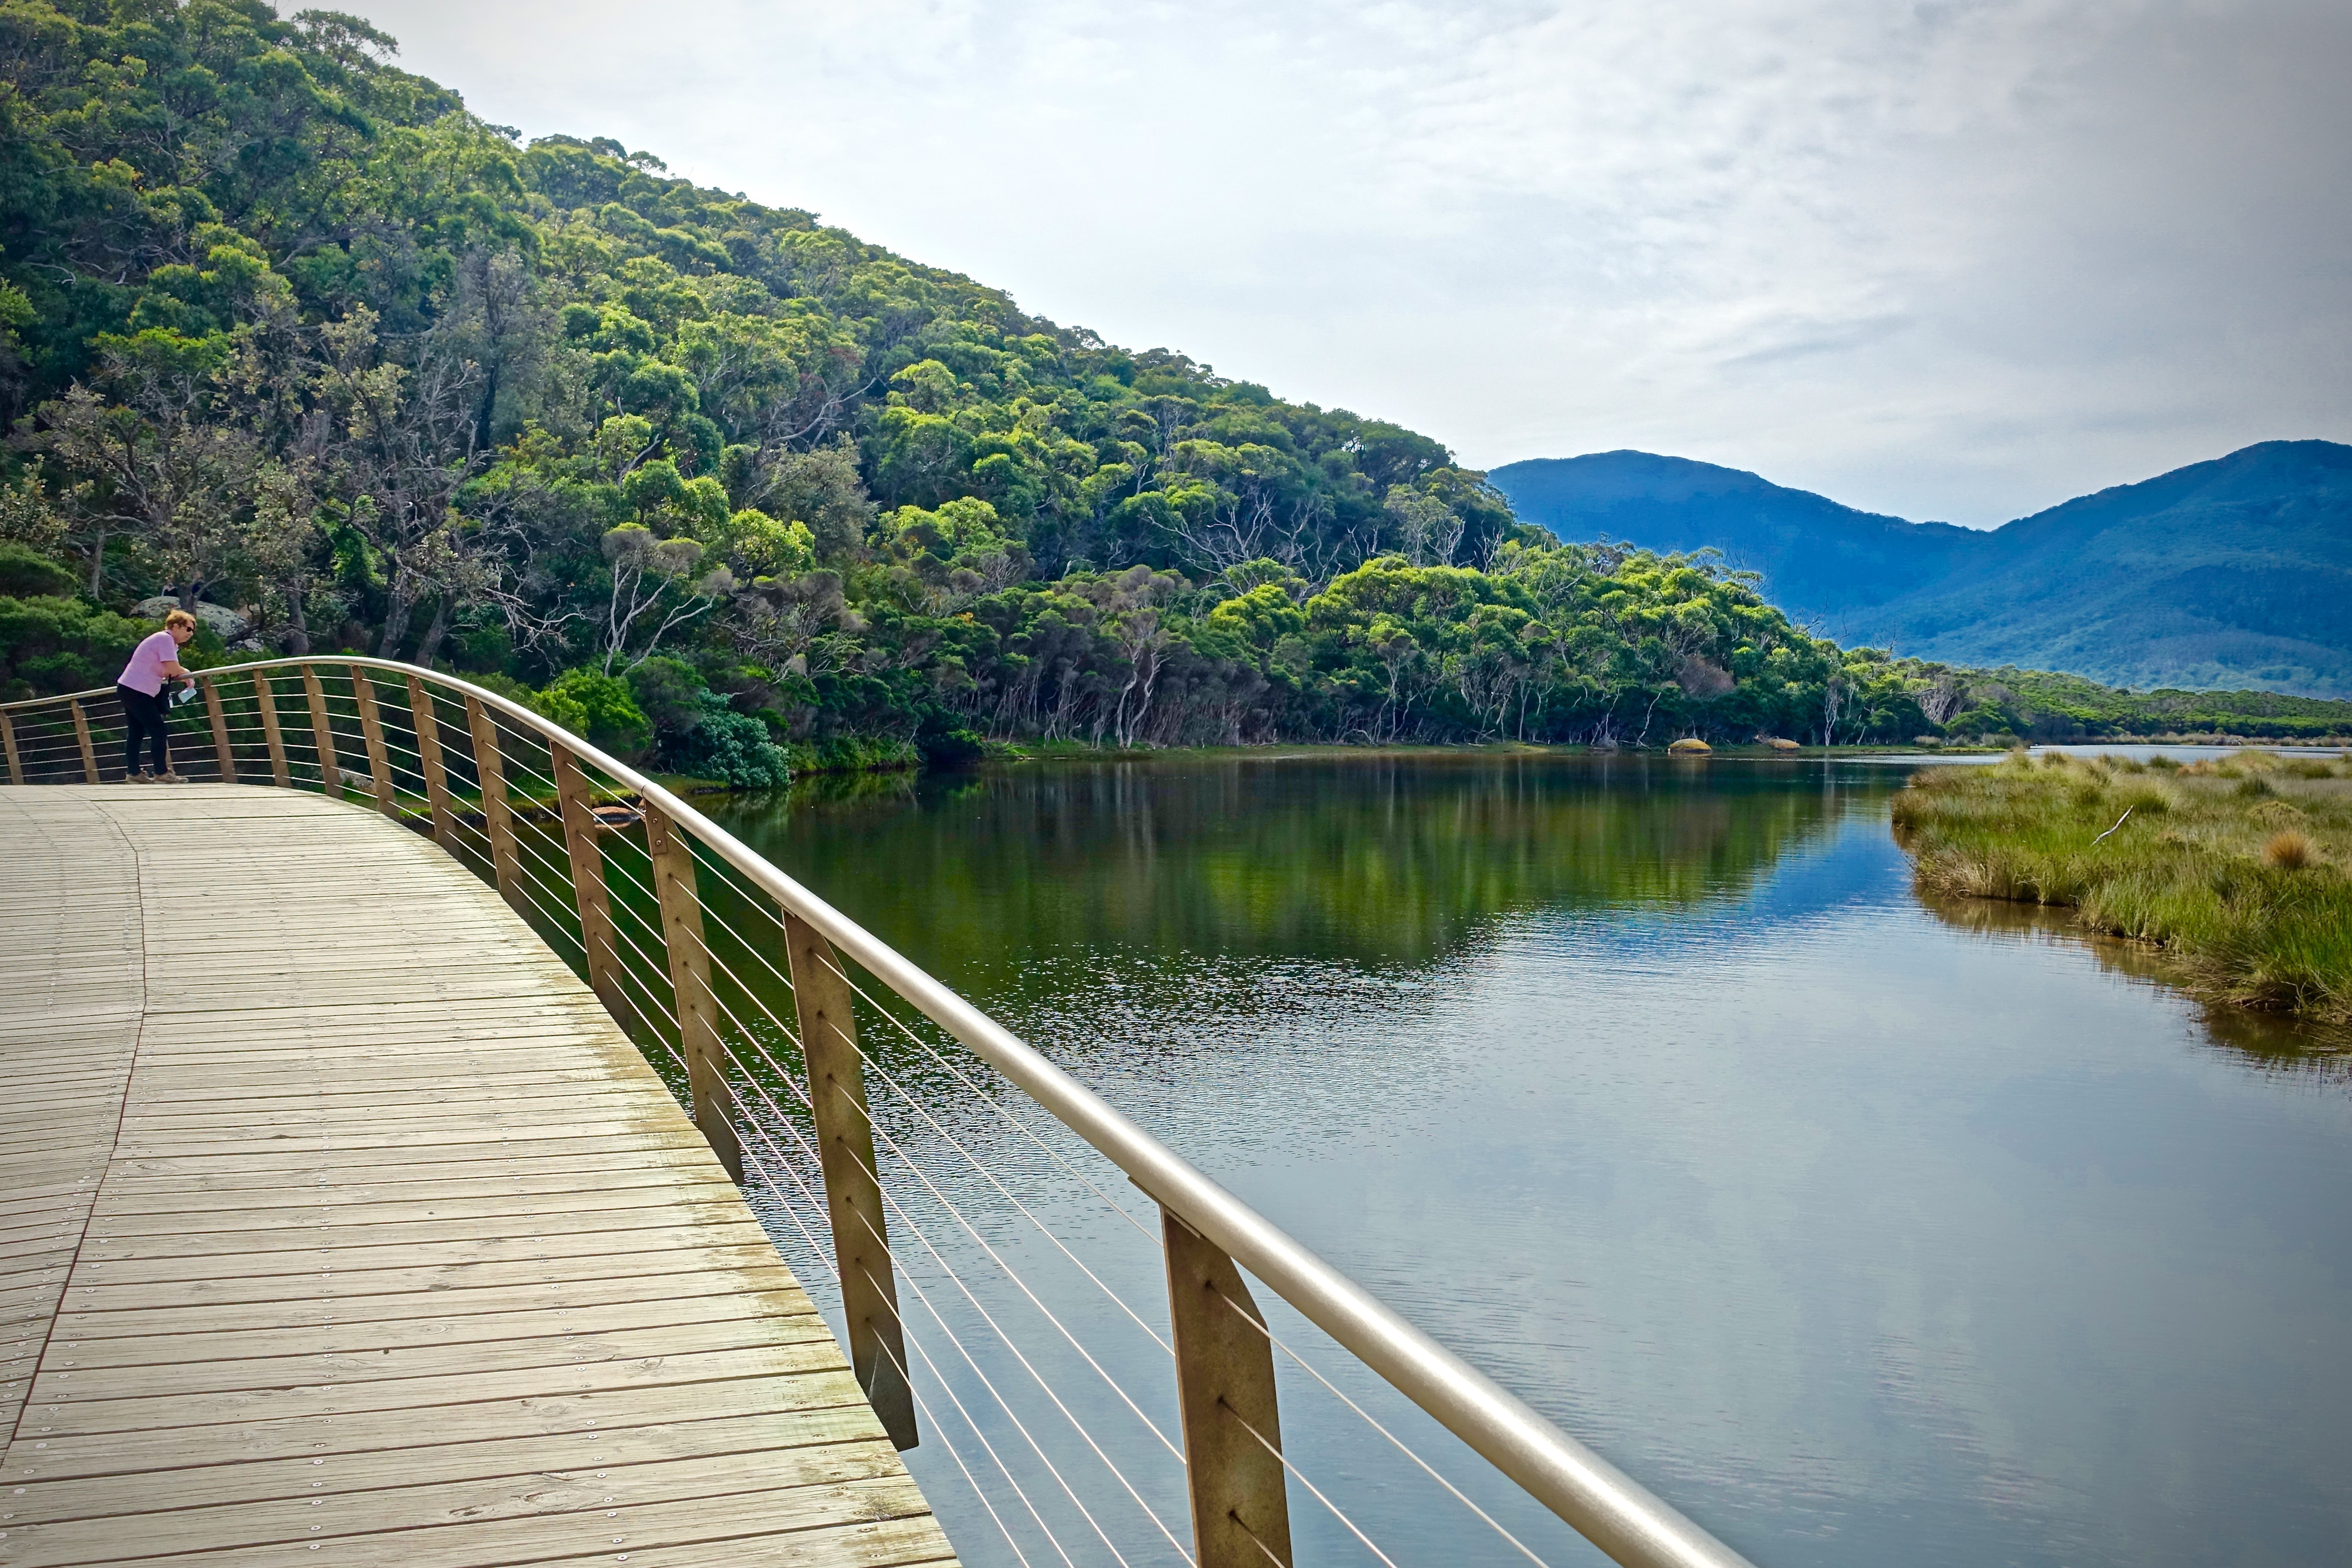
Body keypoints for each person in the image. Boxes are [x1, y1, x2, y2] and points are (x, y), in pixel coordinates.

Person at [117, 609, 197, 782]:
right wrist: (187, 674)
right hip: (137, 690)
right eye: (188, 629)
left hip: (131, 688)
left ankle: (134, 773)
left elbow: (169, 670)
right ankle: (161, 773)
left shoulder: (167, 642)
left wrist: (182, 675)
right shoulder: (165, 639)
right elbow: (173, 669)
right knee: (159, 730)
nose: (191, 634)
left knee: (136, 731)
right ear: (175, 626)